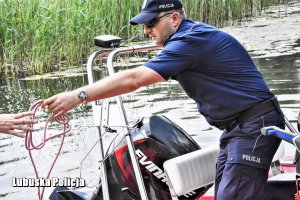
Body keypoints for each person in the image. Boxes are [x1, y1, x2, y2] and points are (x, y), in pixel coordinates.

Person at [42, 0, 285, 199]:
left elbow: (135, 79)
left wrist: (78, 95)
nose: (147, 30)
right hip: (240, 129)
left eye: (151, 23)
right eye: (144, 25)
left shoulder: (189, 42)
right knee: (225, 192)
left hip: (254, 128)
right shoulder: (189, 37)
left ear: (174, 19)